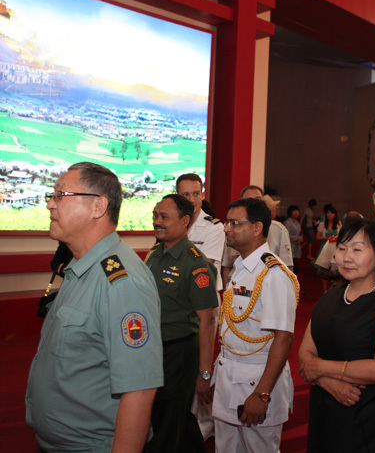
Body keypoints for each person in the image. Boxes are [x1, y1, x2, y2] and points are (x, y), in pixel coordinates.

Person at [26, 162, 163, 452]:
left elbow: (139, 390)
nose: (50, 204)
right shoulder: (80, 267)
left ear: (98, 206)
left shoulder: (121, 281)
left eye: (60, 195)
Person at [298, 219, 375, 452]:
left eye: (357, 249)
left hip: (368, 414)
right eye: (342, 248)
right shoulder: (329, 298)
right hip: (325, 409)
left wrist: (320, 369)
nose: (346, 257)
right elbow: (305, 353)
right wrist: (326, 382)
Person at [213, 198, 299, 453]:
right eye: (227, 222)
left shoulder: (274, 273)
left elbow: (283, 337)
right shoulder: (240, 266)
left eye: (234, 223)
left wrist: (262, 394)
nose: (227, 228)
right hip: (229, 376)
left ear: (257, 227)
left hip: (256, 381)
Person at [145, 195, 219, 453]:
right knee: (172, 416)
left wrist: (204, 373)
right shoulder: (155, 253)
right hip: (155, 349)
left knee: (167, 421)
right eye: (155, 215)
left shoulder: (196, 264)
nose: (157, 222)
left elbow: (207, 321)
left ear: (185, 221)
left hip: (180, 353)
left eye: (164, 217)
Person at [221, 185, 293, 282]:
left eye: (257, 199)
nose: (227, 229)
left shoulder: (278, 230)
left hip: (262, 282)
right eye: (248, 200)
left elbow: (287, 267)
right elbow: (227, 266)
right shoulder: (233, 230)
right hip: (237, 282)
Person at [177, 173, 226, 291]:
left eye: (196, 194)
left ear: (202, 195)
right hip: (177, 292)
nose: (192, 200)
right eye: (186, 195)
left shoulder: (214, 227)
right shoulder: (172, 225)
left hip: (203, 294)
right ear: (177, 197)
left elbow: (202, 268)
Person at [284, 204, 303, 272]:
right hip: (290, 247)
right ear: (290, 212)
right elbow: (286, 235)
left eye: (297, 211)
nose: (296, 213)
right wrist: (297, 238)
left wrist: (300, 238)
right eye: (294, 211)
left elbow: (300, 233)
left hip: (296, 247)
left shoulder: (297, 222)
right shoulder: (287, 223)